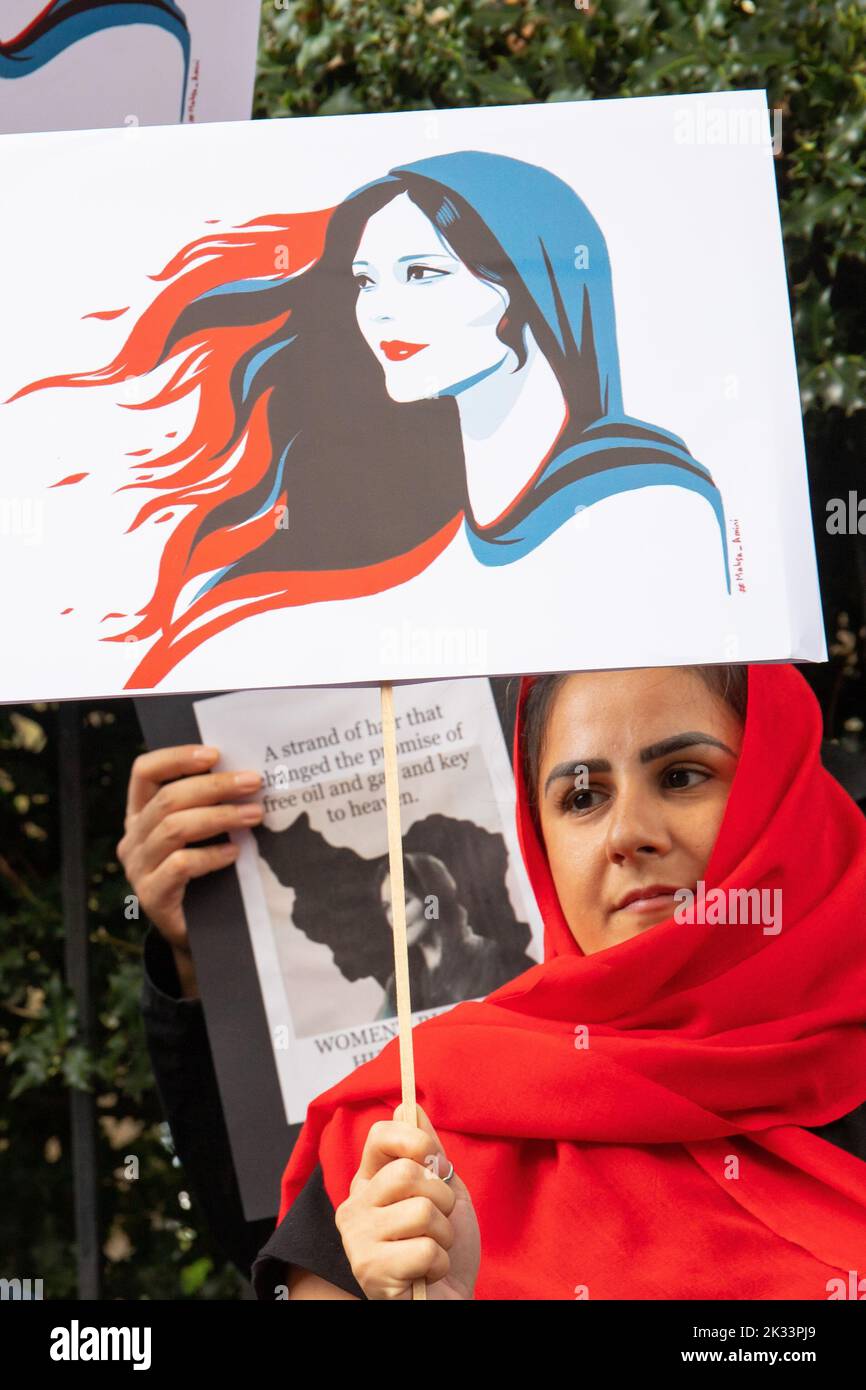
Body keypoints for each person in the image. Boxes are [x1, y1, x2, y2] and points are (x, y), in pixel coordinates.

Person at [251, 663, 866, 1300]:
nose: (628, 834)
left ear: (782, 788)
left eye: (682, 776)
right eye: (582, 798)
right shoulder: (404, 1142)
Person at [16, 152, 729, 688]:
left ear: (522, 285)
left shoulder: (644, 501)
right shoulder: (445, 548)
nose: (380, 310)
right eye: (365, 281)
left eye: (422, 274)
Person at [374, 851, 517, 1020]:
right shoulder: (398, 986)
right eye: (387, 907)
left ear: (432, 901)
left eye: (404, 901)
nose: (393, 916)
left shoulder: (494, 961)